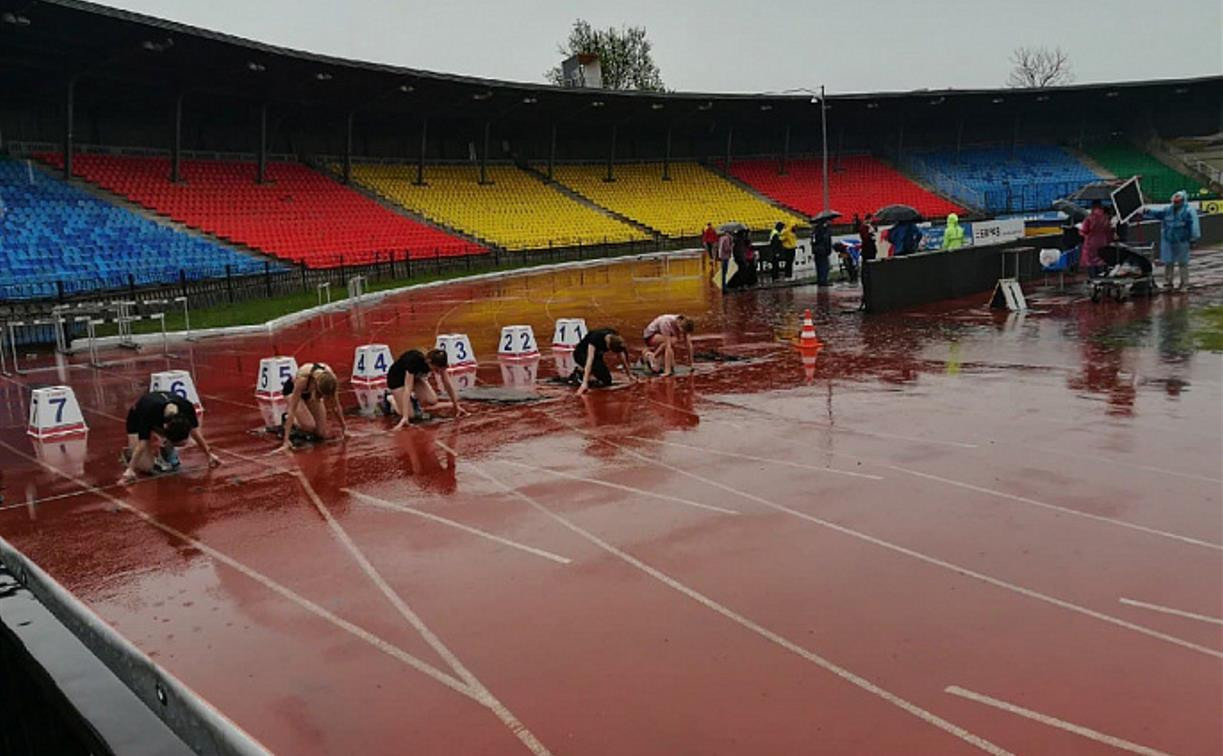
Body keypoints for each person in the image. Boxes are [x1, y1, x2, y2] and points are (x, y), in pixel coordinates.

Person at [120, 391, 221, 484]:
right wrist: (130, 470)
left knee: (178, 445)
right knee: (146, 467)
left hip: (164, 420)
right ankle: (130, 453)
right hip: (137, 418)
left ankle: (165, 454)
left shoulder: (186, 408)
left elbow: (195, 433)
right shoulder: (148, 411)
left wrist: (209, 454)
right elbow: (142, 443)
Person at [383, 348, 468, 430]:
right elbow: (408, 388)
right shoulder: (414, 361)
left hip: (415, 378)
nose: (438, 372)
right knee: (410, 415)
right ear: (429, 362)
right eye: (436, 369)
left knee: (432, 400)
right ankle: (390, 398)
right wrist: (405, 417)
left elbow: (447, 384)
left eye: (439, 369)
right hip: (397, 380)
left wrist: (456, 405)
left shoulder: (439, 362)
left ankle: (411, 401)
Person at [1142, 190, 1200, 291]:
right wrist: (1147, 211)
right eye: (1174, 202)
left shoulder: (1189, 211)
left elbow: (1194, 227)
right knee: (1168, 262)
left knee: (1183, 263)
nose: (1175, 204)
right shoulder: (1168, 210)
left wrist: (1193, 239)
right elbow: (1158, 214)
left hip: (1182, 240)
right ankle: (1168, 283)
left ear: (1183, 201)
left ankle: (1184, 284)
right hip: (1168, 240)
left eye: (1178, 202)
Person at [280, 362, 346, 451]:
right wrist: (286, 441)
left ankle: (303, 416)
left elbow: (336, 407)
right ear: (315, 385)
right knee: (309, 426)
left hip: (310, 392)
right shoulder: (302, 380)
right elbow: (292, 409)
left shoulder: (331, 380)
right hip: (292, 391)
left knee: (320, 433)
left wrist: (344, 428)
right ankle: (286, 418)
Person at [572, 328, 635, 396]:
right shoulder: (595, 338)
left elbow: (622, 356)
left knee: (606, 380)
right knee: (603, 379)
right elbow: (590, 360)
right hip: (581, 354)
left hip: (597, 355)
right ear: (608, 345)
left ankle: (584, 372)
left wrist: (629, 374)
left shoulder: (615, 336)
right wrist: (584, 383)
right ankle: (579, 373)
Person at [1078, 200, 1114, 277]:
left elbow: (1083, 231)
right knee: (1101, 260)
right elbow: (1109, 231)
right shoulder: (1105, 218)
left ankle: (1093, 281)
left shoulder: (1089, 218)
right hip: (1103, 243)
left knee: (1091, 262)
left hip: (1091, 244)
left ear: (1092, 207)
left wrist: (1081, 231)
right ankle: (1102, 279)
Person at [811, 217, 833, 286]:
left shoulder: (815, 230)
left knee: (819, 266)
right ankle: (823, 281)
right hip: (822, 250)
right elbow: (826, 241)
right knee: (824, 266)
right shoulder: (824, 230)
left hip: (817, 250)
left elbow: (813, 241)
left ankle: (820, 280)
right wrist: (828, 249)